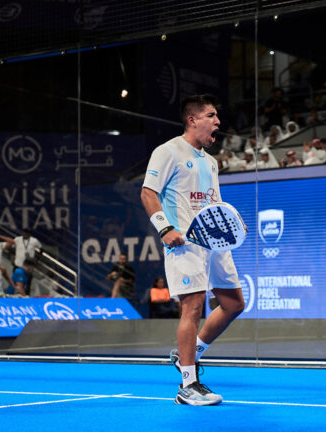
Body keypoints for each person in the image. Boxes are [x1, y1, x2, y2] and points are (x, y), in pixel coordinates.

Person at [141, 93, 246, 406]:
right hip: (184, 243)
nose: (218, 122)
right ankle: (188, 385)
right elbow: (148, 193)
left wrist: (232, 225)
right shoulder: (168, 151)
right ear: (192, 120)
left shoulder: (211, 162)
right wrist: (165, 228)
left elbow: (213, 203)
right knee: (193, 306)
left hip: (215, 243)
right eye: (211, 115)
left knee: (233, 304)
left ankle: (188, 353)